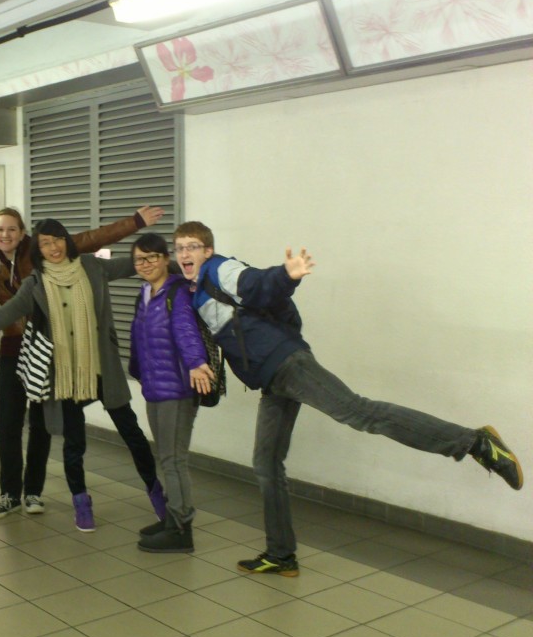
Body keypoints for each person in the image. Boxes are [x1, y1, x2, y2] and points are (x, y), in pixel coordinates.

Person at [174, 221, 524, 577]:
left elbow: (256, 284)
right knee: (266, 464)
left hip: (288, 364)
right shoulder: (193, 289)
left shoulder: (220, 269)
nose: (185, 253)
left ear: (207, 251)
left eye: (192, 247)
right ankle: (281, 555)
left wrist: (285, 275)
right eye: (180, 248)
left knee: (360, 413)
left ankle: (475, 442)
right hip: (272, 379)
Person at [0, 218, 161, 533]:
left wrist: (186, 267)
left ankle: (156, 492)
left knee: (133, 435)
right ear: (38, 249)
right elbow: (1, 316)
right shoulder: (36, 283)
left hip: (101, 369)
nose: (53, 247)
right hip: (65, 376)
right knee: (74, 444)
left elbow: (140, 264)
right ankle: (81, 502)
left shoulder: (92, 267)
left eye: (57, 239)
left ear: (66, 240)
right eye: (45, 243)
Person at [128, 233, 214, 552]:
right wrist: (138, 373)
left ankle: (180, 529)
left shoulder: (177, 292)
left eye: (152, 257)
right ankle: (172, 518)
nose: (145, 264)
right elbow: (139, 337)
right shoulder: (145, 293)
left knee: (173, 460)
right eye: (140, 259)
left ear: (166, 259)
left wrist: (196, 363)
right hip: (155, 388)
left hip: (178, 390)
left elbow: (185, 329)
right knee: (166, 457)